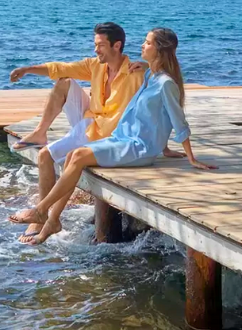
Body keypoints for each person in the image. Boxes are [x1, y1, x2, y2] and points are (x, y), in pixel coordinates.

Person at [9, 27, 216, 245]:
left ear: (159, 49)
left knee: (77, 156)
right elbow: (157, 114)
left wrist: (190, 157)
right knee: (72, 156)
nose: (141, 46)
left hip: (138, 147)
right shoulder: (148, 75)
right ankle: (52, 221)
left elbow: (177, 118)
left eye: (147, 43)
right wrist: (28, 69)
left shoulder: (157, 80)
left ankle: (41, 211)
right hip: (121, 138)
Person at [8, 22, 146, 243]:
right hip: (91, 120)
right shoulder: (95, 66)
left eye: (100, 45)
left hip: (105, 135)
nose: (95, 50)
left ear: (117, 45)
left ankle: (44, 217)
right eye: (95, 44)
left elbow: (166, 81)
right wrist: (27, 69)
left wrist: (148, 67)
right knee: (64, 82)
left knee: (45, 155)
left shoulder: (136, 73)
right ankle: (39, 132)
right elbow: (60, 68)